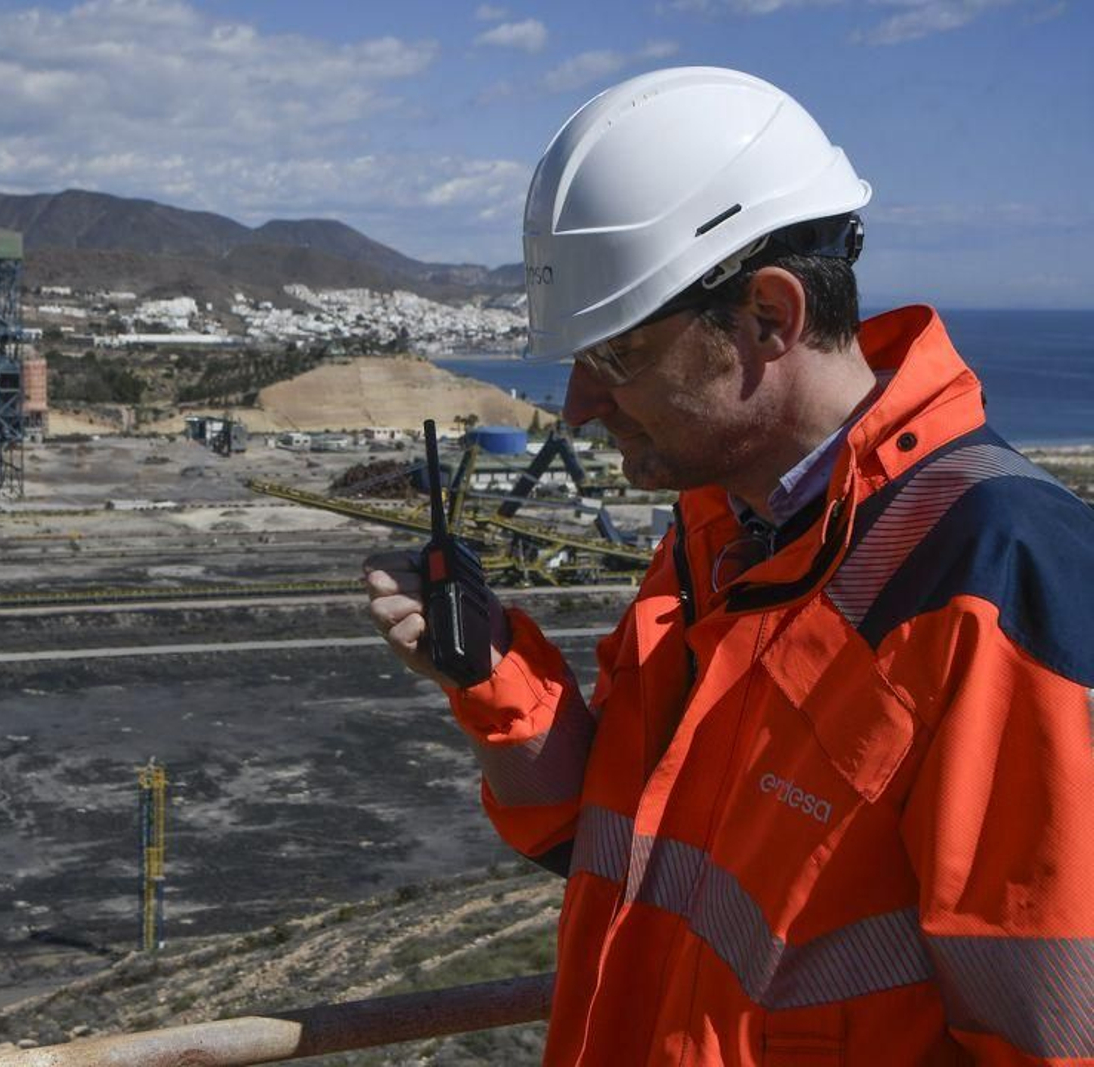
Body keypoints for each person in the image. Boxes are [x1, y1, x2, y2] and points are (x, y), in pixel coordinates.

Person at [364, 66, 1093, 1065]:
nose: (577, 404)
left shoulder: (994, 582)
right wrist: (495, 679)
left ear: (769, 315)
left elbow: (1051, 1034)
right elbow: (599, 845)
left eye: (614, 355)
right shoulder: (719, 532)